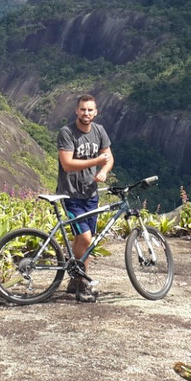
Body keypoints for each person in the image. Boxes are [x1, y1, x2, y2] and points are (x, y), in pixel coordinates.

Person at [56, 94, 113, 303]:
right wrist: (95, 161)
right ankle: (82, 284)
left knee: (84, 241)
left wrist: (105, 170)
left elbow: (109, 157)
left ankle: (75, 276)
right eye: (83, 109)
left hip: (91, 195)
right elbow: (67, 164)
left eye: (90, 110)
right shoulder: (67, 132)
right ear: (76, 111)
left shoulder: (99, 131)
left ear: (95, 112)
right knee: (86, 238)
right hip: (70, 194)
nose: (86, 113)